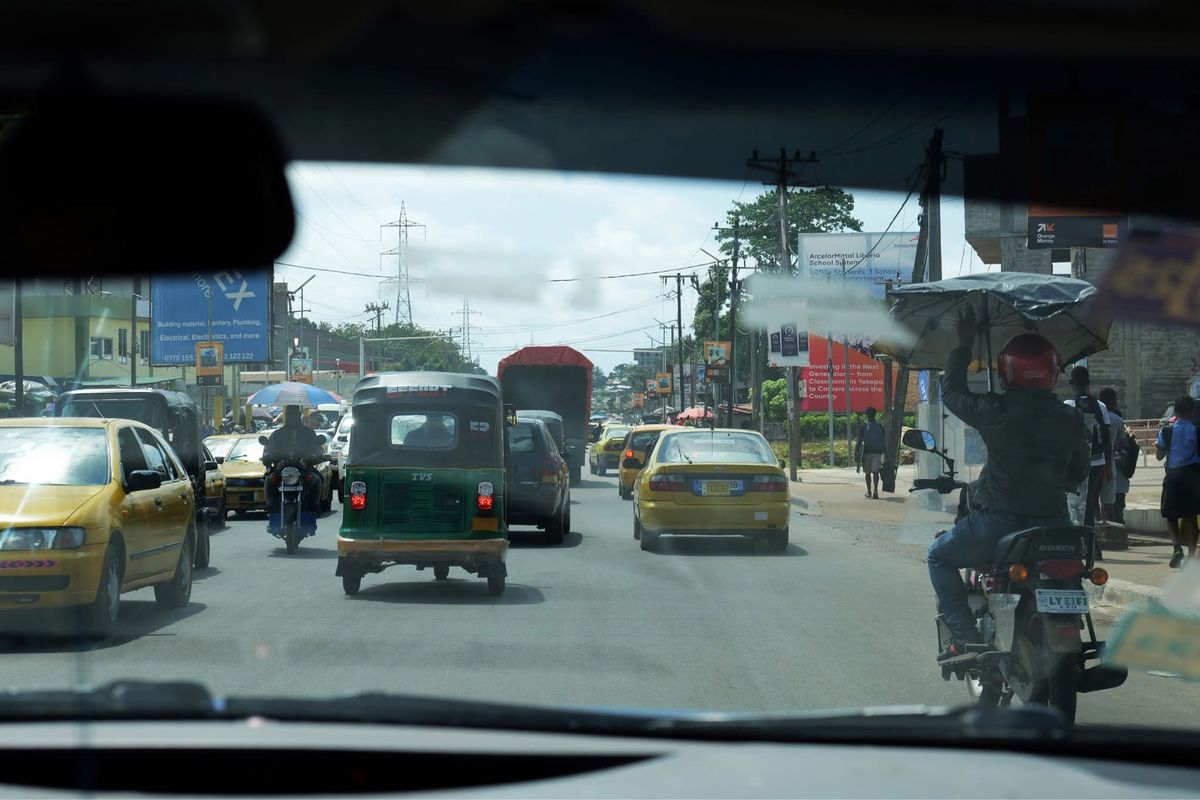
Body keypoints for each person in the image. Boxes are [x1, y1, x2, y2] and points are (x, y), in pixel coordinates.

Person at [928, 308, 1089, 662]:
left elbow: (952, 392)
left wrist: (965, 343)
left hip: (1000, 522)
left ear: (1005, 371)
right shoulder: (1070, 417)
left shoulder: (993, 410)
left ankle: (965, 635)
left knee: (938, 556)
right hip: (1055, 524)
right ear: (1053, 371)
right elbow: (1078, 473)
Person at [1063, 366, 1112, 559]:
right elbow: (1107, 438)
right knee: (1090, 504)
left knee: (1073, 505)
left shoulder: (1067, 404)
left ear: (1071, 383)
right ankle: (1093, 547)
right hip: (1097, 463)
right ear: (1088, 383)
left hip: (1074, 466)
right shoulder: (1100, 406)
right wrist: (1108, 466)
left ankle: (1079, 545)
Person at [262, 404, 325, 532]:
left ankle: (314, 504)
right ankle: (271, 506)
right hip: (282, 470)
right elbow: (268, 449)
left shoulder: (309, 433)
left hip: (304, 469)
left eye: (294, 414)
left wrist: (315, 456)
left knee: (317, 479)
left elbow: (317, 449)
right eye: (289, 415)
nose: (292, 418)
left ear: (299, 416)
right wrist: (268, 456)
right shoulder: (277, 434)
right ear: (285, 417)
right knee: (269, 480)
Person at [1156, 395, 1200, 569]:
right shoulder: (1197, 430)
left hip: (1173, 476)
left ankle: (1176, 548)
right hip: (1193, 476)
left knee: (1170, 515)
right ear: (1193, 411)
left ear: (1175, 412)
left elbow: (1159, 456)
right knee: (1191, 516)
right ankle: (1191, 555)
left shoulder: (1167, 431)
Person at [1098, 387, 1129, 525]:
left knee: (1093, 501)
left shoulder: (1095, 415)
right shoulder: (1117, 420)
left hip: (1093, 463)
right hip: (1110, 465)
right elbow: (1122, 443)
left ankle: (1095, 532)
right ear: (1111, 402)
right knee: (1109, 503)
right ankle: (1113, 532)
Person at [856, 407, 886, 499]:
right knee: (876, 472)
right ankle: (875, 491)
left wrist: (856, 452)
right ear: (875, 414)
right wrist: (886, 453)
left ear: (866, 414)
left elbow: (859, 440)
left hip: (866, 452)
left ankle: (869, 491)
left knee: (867, 473)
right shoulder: (880, 426)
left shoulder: (864, 426)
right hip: (877, 452)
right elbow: (883, 440)